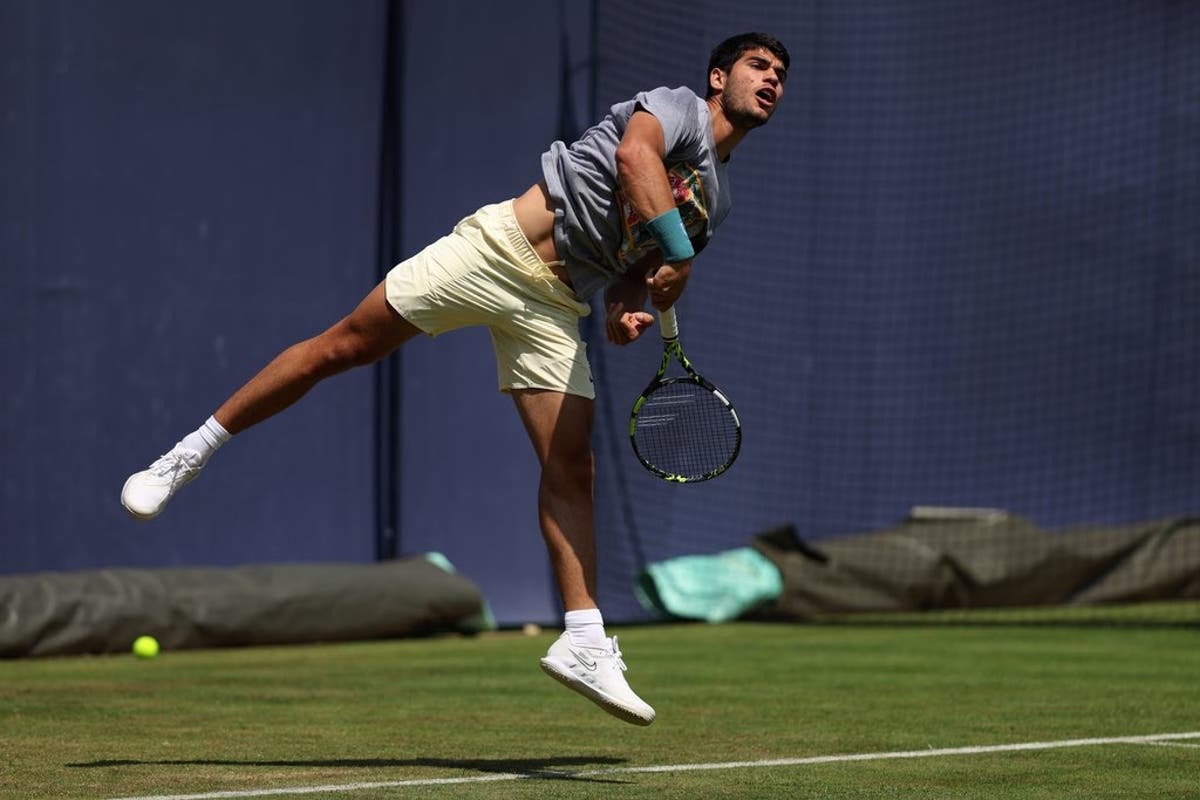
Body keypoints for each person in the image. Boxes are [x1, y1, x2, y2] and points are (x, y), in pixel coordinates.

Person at [121, 32, 789, 726]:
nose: (770, 80)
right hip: (497, 250)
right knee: (343, 348)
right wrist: (679, 253)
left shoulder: (716, 200)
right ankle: (190, 453)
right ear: (719, 77)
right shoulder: (675, 109)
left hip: (558, 306)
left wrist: (625, 310)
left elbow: (634, 264)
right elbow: (633, 155)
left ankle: (585, 639)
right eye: (757, 67)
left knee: (572, 467)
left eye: (780, 76)